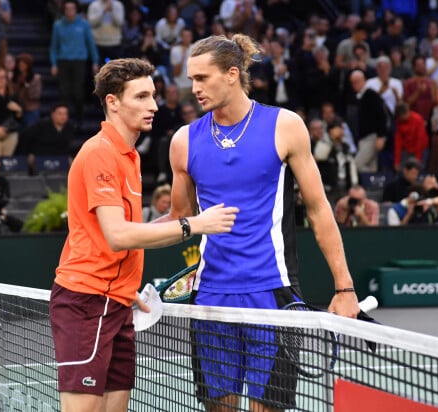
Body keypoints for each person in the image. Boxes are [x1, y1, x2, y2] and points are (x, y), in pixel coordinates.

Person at [164, 34, 359, 411]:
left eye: (202, 78)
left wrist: (344, 287)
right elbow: (177, 219)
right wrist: (119, 235)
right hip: (211, 298)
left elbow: (319, 209)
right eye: (191, 79)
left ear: (232, 74)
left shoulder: (285, 125)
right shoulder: (184, 141)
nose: (194, 88)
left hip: (272, 295)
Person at [49, 57, 238, 412]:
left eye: (153, 95)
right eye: (140, 97)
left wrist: (125, 285)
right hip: (87, 303)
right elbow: (118, 236)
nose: (153, 106)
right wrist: (195, 225)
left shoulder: (129, 157)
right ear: (113, 102)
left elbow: (133, 235)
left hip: (117, 302)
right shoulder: (100, 154)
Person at [49, 0, 100, 129]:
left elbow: (90, 44)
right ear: (64, 10)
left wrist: (95, 61)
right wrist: (54, 64)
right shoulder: (58, 25)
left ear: (76, 10)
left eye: (72, 9)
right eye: (67, 9)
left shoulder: (83, 24)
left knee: (78, 92)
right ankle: (65, 121)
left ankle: (79, 119)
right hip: (64, 60)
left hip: (79, 61)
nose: (70, 11)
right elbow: (53, 46)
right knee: (65, 94)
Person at [20, 102, 76, 173]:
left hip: (60, 156)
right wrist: (29, 153)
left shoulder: (70, 127)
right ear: (52, 114)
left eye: (65, 114)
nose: (63, 116)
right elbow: (26, 137)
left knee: (73, 161)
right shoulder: (41, 125)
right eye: (60, 113)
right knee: (31, 158)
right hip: (41, 155)